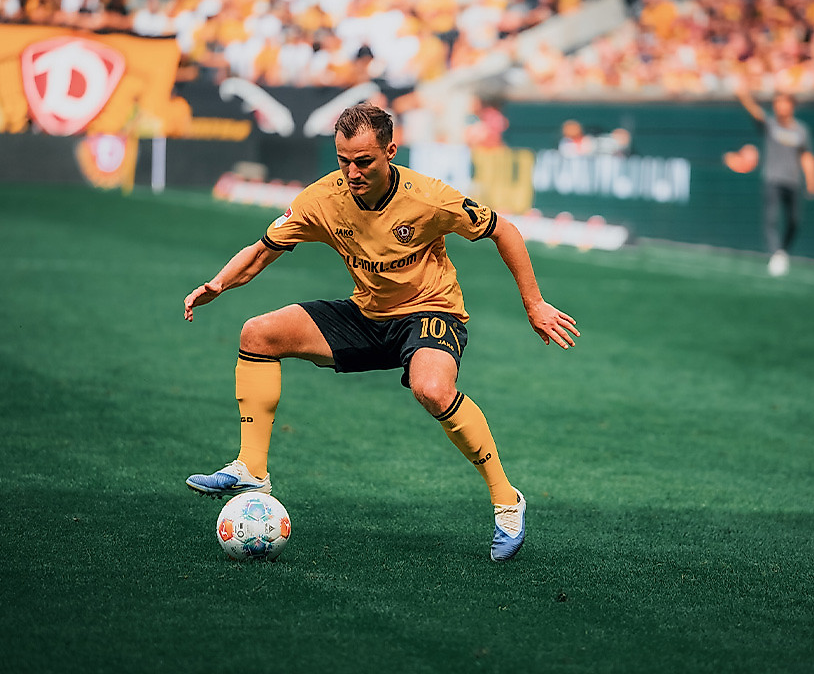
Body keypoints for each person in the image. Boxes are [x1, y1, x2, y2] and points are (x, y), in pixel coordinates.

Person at [182, 103, 579, 562]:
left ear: (391, 150)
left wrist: (534, 304)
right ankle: (252, 468)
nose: (352, 172)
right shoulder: (321, 199)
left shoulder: (429, 198)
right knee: (257, 334)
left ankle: (507, 501)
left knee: (431, 388)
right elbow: (261, 250)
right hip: (368, 314)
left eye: (364, 161)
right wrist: (218, 284)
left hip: (430, 312)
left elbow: (503, 230)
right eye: (343, 160)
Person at [734, 83, 814, 277]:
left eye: (783, 103)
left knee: (794, 220)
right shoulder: (771, 125)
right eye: (776, 103)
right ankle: (776, 254)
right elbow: (756, 113)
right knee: (771, 218)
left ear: (791, 106)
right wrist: (744, 97)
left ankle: (782, 251)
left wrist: (812, 180)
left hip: (793, 181)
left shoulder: (801, 131)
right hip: (772, 179)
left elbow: (807, 157)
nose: (779, 107)